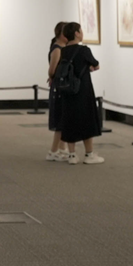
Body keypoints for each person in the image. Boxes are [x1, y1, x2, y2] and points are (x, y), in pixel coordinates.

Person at [49, 22, 104, 165]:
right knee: (87, 120)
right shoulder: (84, 50)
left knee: (70, 120)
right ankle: (89, 154)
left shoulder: (63, 51)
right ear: (76, 33)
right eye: (81, 30)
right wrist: (89, 67)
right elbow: (96, 64)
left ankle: (72, 155)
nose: (82, 33)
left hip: (68, 90)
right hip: (83, 90)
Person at [46, 22, 72, 161]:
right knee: (60, 121)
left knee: (64, 120)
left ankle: (62, 148)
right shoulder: (57, 49)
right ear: (62, 34)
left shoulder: (62, 48)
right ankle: (53, 150)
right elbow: (52, 70)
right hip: (59, 88)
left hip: (61, 86)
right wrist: (52, 77)